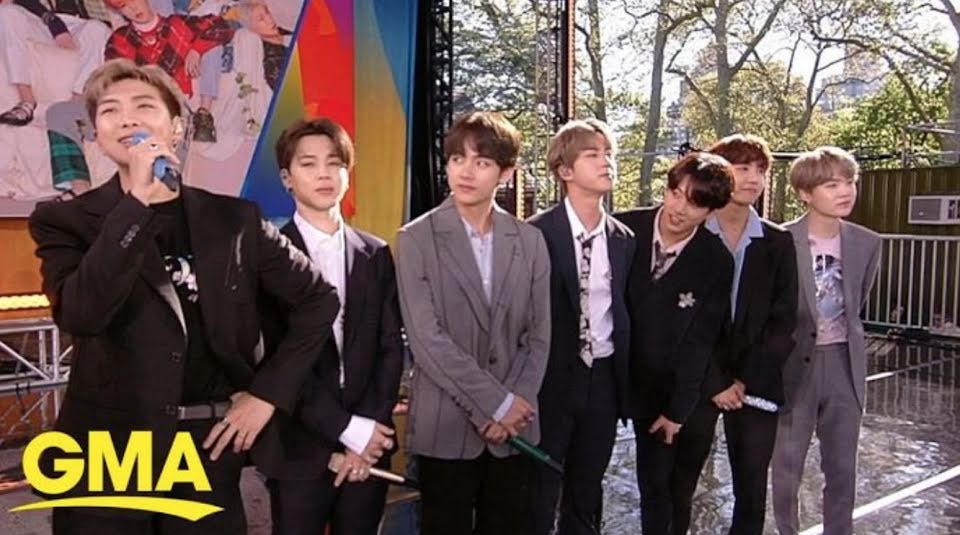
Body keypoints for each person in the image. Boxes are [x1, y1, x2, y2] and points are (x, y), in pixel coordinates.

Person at [27, 58, 338, 534]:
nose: (126, 118)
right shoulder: (65, 221)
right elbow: (81, 313)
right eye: (110, 111)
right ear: (96, 134)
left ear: (176, 128)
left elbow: (318, 300)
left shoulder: (235, 220)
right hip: (107, 451)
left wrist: (267, 395)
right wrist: (136, 205)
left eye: (144, 106)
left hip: (205, 446)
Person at [395, 111, 551, 535]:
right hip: (446, 427)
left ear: (506, 173)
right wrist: (495, 405)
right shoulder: (415, 239)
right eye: (457, 159)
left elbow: (538, 336)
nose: (466, 171)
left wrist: (514, 406)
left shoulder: (530, 241)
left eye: (481, 162)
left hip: (516, 426)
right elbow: (426, 340)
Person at [253, 117, 404, 535]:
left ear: (348, 172)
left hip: (369, 448)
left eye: (334, 163)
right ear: (287, 178)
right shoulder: (267, 258)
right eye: (308, 164)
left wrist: (366, 434)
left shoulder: (375, 252)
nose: (324, 173)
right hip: (299, 451)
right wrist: (345, 430)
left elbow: (390, 347)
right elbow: (276, 362)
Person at [668, 134, 799, 535]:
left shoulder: (778, 241)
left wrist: (744, 379)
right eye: (742, 168)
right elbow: (679, 323)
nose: (753, 178)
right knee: (678, 486)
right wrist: (716, 382)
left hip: (755, 383)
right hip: (696, 380)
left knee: (752, 489)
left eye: (761, 170)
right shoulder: (691, 233)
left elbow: (783, 321)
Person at [614, 152, 734, 535]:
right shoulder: (621, 230)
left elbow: (700, 341)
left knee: (659, 489)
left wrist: (677, 411)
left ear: (711, 211)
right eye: (675, 193)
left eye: (695, 203)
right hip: (603, 373)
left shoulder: (714, 260)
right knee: (577, 480)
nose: (679, 209)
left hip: (662, 387)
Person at [526, 118, 635, 535]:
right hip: (548, 381)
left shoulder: (623, 238)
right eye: (593, 155)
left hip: (603, 379)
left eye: (608, 154)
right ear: (565, 170)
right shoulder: (536, 234)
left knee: (587, 491)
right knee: (539, 490)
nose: (606, 162)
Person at [772, 146, 881, 535]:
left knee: (842, 467)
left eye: (849, 182)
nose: (845, 191)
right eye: (832, 184)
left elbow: (857, 300)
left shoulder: (867, 242)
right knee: (786, 468)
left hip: (844, 363)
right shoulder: (779, 240)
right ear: (805, 193)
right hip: (793, 363)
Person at [103, 0, 234, 142]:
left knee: (212, 45)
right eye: (124, 6)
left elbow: (221, 26)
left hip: (188, 94)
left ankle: (203, 117)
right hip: (154, 103)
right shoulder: (119, 40)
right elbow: (115, 79)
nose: (133, 8)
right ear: (120, 12)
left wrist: (197, 49)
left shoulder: (176, 24)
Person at [0, 0, 111, 126]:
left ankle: (76, 103)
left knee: (98, 28)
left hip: (81, 24)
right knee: (7, 11)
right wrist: (55, 24)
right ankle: (27, 101)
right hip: (42, 20)